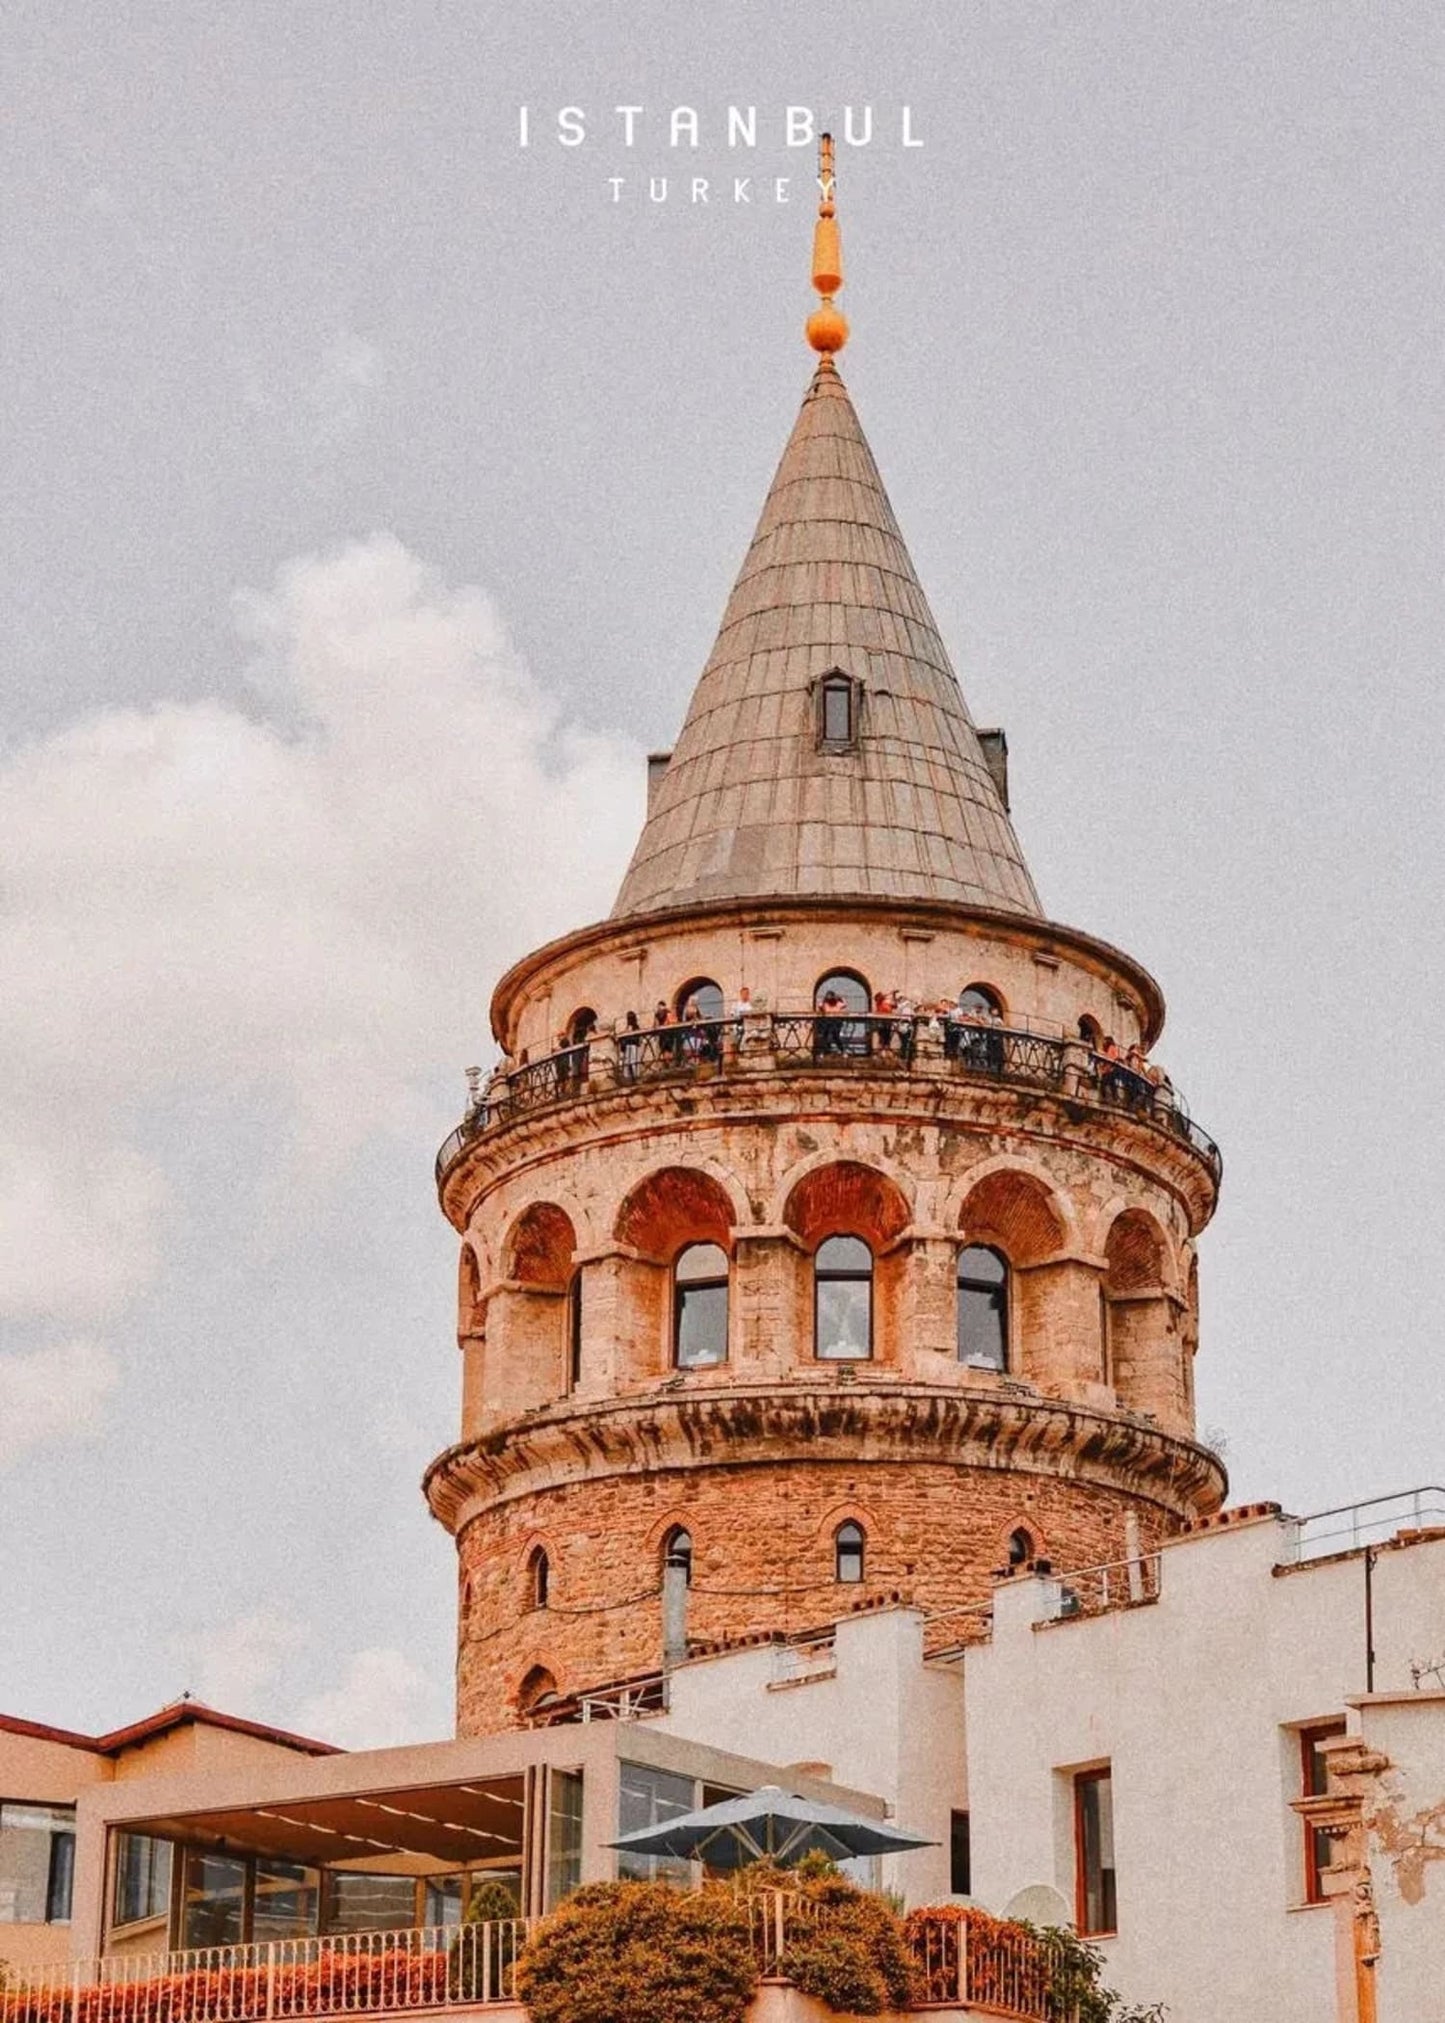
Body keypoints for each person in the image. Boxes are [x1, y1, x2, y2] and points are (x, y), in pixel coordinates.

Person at [815, 989, 847, 1057]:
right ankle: (822, 1052)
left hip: (836, 1021)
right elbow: (819, 1005)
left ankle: (842, 1051)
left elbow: (845, 1004)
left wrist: (840, 998)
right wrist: (824, 1000)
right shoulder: (825, 1004)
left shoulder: (838, 1003)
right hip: (827, 1021)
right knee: (825, 1036)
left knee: (836, 1036)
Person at [619, 1009, 642, 1082]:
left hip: (633, 1046)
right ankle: (630, 1079)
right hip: (628, 1047)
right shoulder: (628, 1027)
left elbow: (637, 1038)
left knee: (633, 1063)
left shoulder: (636, 1027)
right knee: (628, 1063)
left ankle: (635, 1078)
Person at [873, 989, 895, 1055]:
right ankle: (881, 1051)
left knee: (887, 1037)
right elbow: (881, 997)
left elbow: (895, 1005)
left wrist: (894, 995)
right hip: (881, 1022)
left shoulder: (886, 1003)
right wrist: (890, 992)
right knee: (882, 1037)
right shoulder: (879, 1002)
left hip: (888, 1022)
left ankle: (886, 1050)